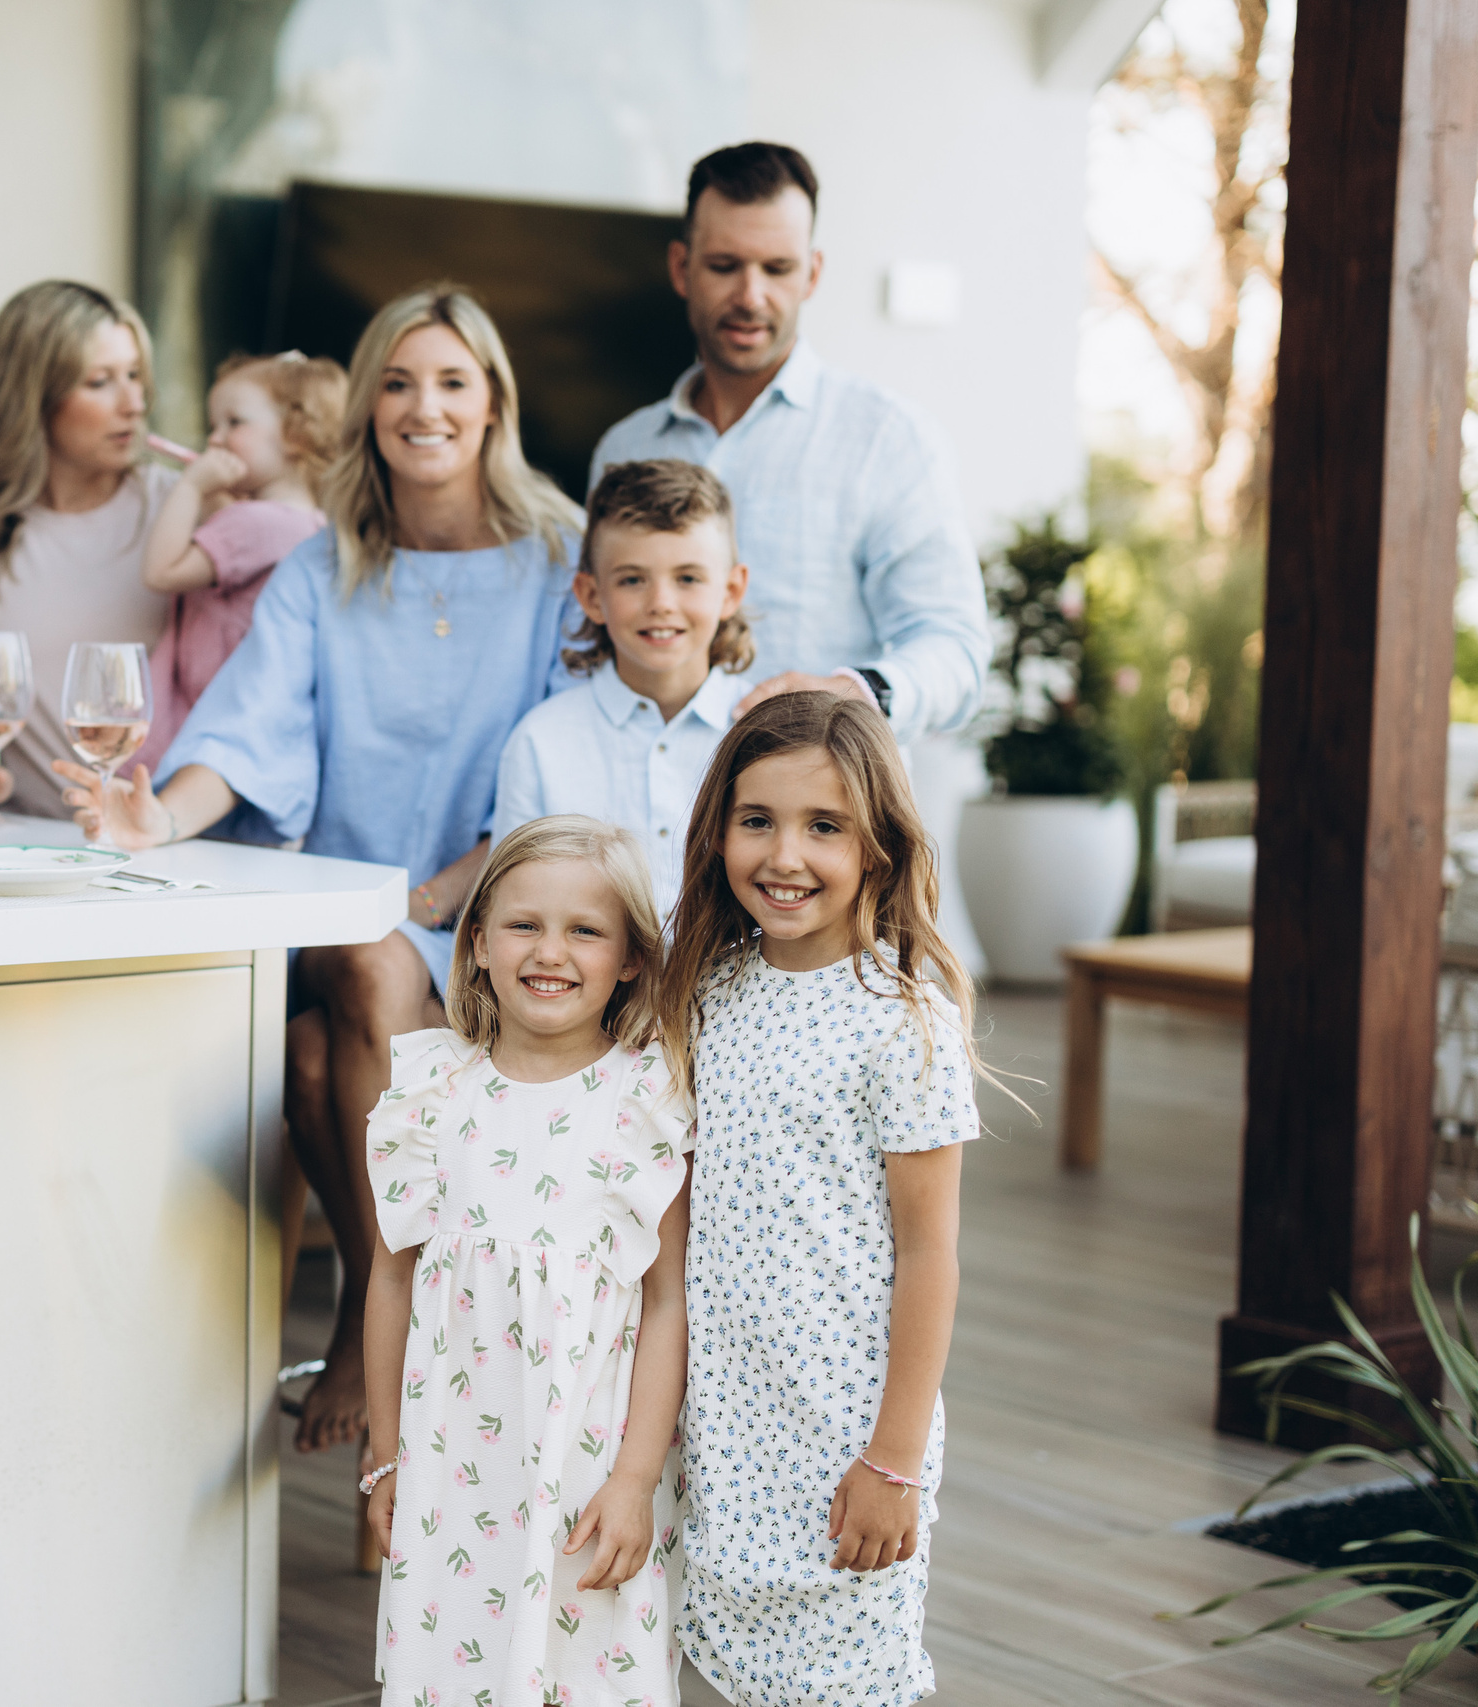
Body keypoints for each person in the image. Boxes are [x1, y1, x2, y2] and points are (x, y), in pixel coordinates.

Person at [61, 283, 581, 1452]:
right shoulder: (322, 568)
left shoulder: (564, 562)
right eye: (397, 382)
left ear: (494, 404)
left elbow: (566, 784)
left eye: (452, 382)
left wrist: (434, 898)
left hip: (501, 923)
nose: (423, 406)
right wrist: (153, 822)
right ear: (365, 410)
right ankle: (378, 1300)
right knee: (311, 1032)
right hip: (360, 938)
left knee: (331, 1017)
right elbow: (244, 738)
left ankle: (366, 1319)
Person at [650, 692, 977, 1705]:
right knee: (724, 1660)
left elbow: (929, 1255)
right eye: (758, 822)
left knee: (849, 1672)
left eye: (823, 827)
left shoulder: (903, 1023)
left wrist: (892, 1459)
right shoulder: (707, 992)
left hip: (849, 1423)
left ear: (876, 846)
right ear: (718, 834)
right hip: (727, 1415)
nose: (783, 855)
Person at [361, 814, 693, 1705]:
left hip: (584, 1461)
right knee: (452, 1656)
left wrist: (634, 1480)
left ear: (629, 956)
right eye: (523, 925)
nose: (552, 951)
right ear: (475, 943)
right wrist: (386, 1454)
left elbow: (665, 1304)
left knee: (583, 1668)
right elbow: (393, 1277)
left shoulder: (642, 1100)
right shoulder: (433, 1091)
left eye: (586, 929)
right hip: (451, 1462)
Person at [589, 142, 988, 742]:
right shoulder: (625, 448)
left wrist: (859, 692)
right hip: (652, 822)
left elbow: (955, 652)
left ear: (813, 273)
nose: (751, 295)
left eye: (777, 268)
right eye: (725, 265)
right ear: (681, 268)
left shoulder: (888, 439)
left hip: (824, 818)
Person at [0, 280, 174, 819]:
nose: (133, 403)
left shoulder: (183, 514)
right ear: (32, 396)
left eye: (135, 376)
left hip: (161, 844)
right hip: (25, 853)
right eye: (100, 382)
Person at [493, 458, 753, 922]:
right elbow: (515, 914)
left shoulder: (766, 735)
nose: (661, 604)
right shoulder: (542, 742)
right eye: (633, 579)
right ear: (591, 596)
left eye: (688, 578)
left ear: (731, 591)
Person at [139, 350, 343, 761]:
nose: (214, 439)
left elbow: (161, 572)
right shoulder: (307, 522)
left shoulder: (257, 523)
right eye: (215, 425)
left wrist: (190, 488)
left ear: (296, 434)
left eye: (234, 423)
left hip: (202, 722)